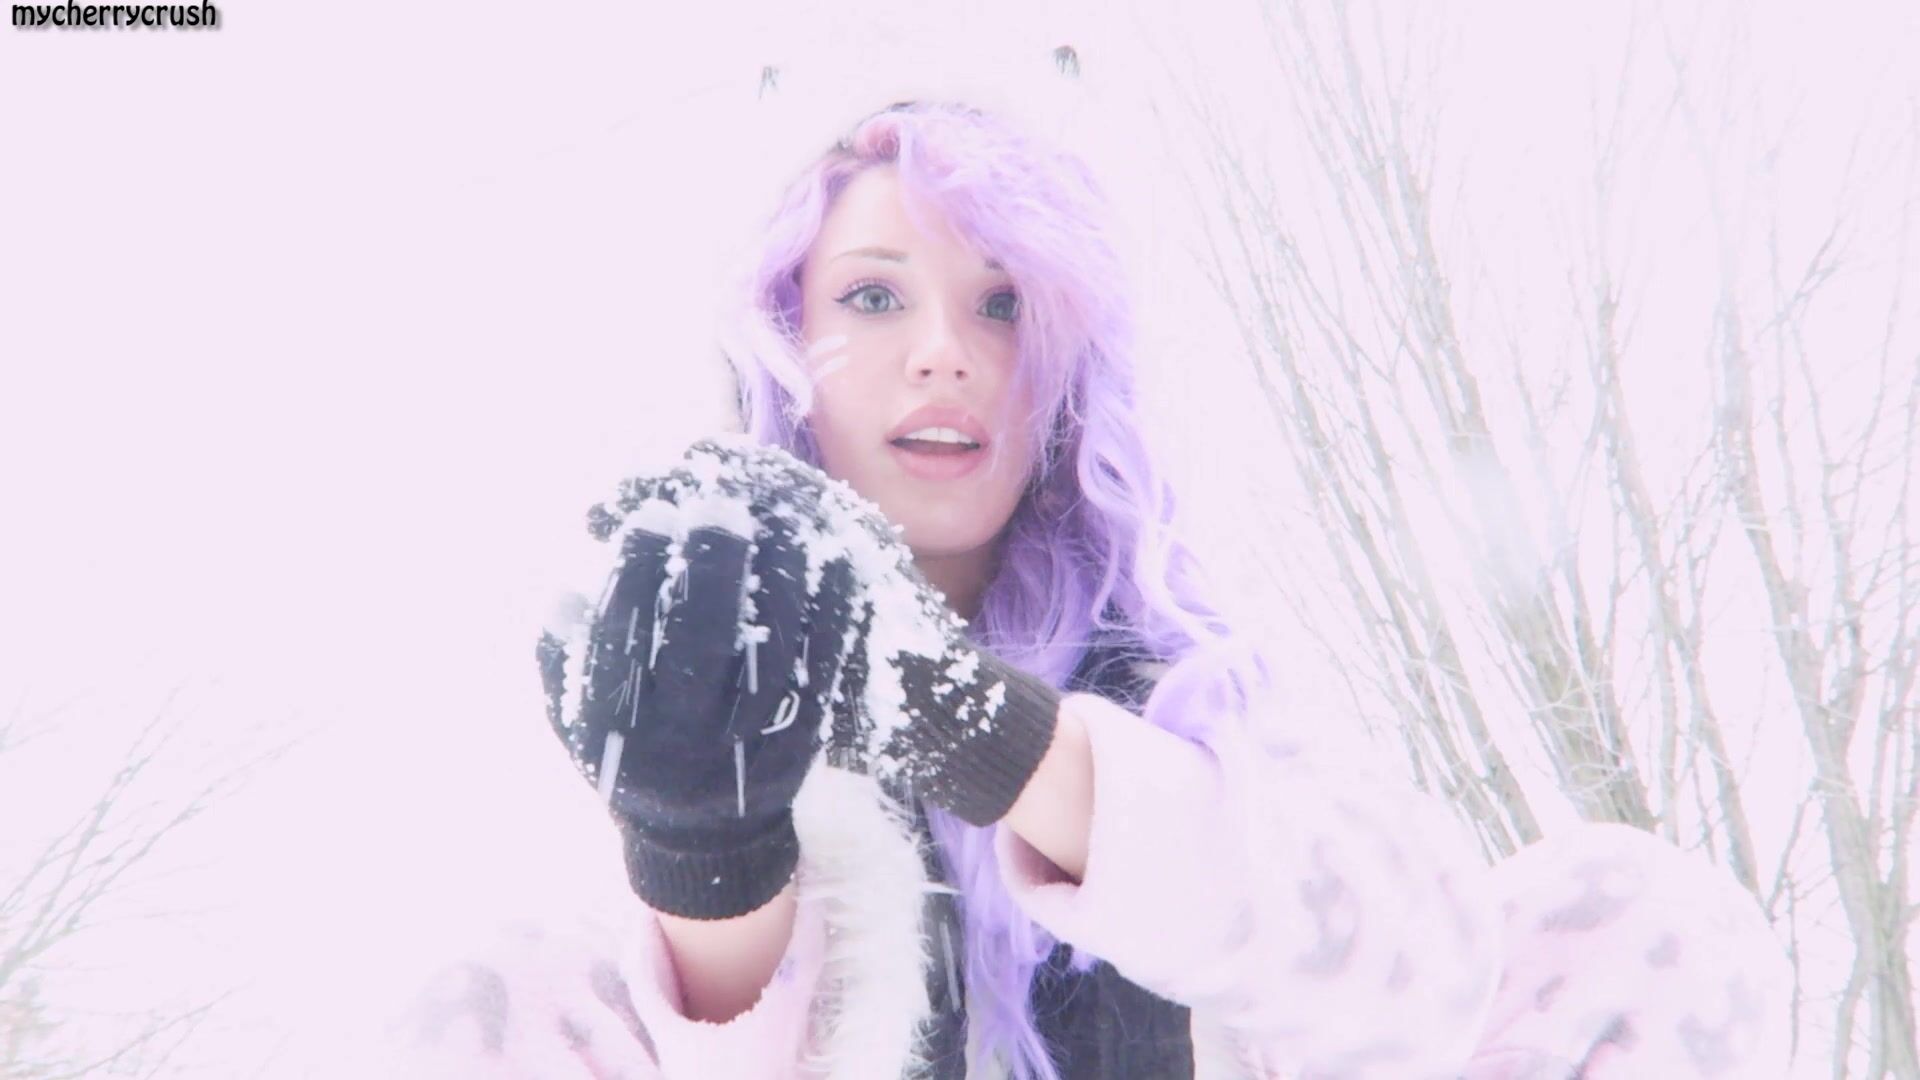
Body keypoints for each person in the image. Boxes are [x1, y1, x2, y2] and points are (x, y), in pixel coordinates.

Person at [387, 101, 1793, 1078]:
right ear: (784, 341)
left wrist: (976, 730)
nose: (944, 351)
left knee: (1644, 917)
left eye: (1003, 302)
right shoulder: (693, 651)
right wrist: (703, 850)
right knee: (490, 998)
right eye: (873, 296)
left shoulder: (1195, 688)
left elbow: (1423, 983)